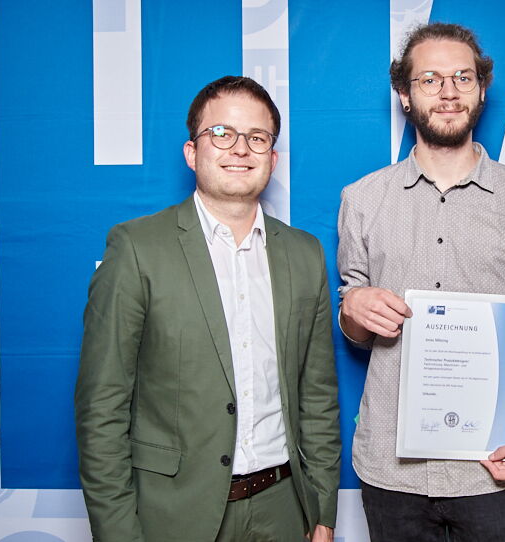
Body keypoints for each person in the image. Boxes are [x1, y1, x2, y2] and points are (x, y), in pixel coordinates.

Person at [75, 75, 340, 542]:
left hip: (284, 509)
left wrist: (323, 510)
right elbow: (102, 408)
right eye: (221, 133)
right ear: (192, 152)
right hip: (173, 515)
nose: (240, 148)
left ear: (273, 158)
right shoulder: (137, 248)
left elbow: (316, 394)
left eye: (257, 137)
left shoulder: (305, 254)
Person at [336, 22, 505, 542]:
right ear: (404, 94)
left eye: (463, 77)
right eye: (430, 79)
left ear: (481, 90)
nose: (448, 92)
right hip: (390, 468)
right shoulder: (362, 200)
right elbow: (355, 330)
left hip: (495, 465)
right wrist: (352, 309)